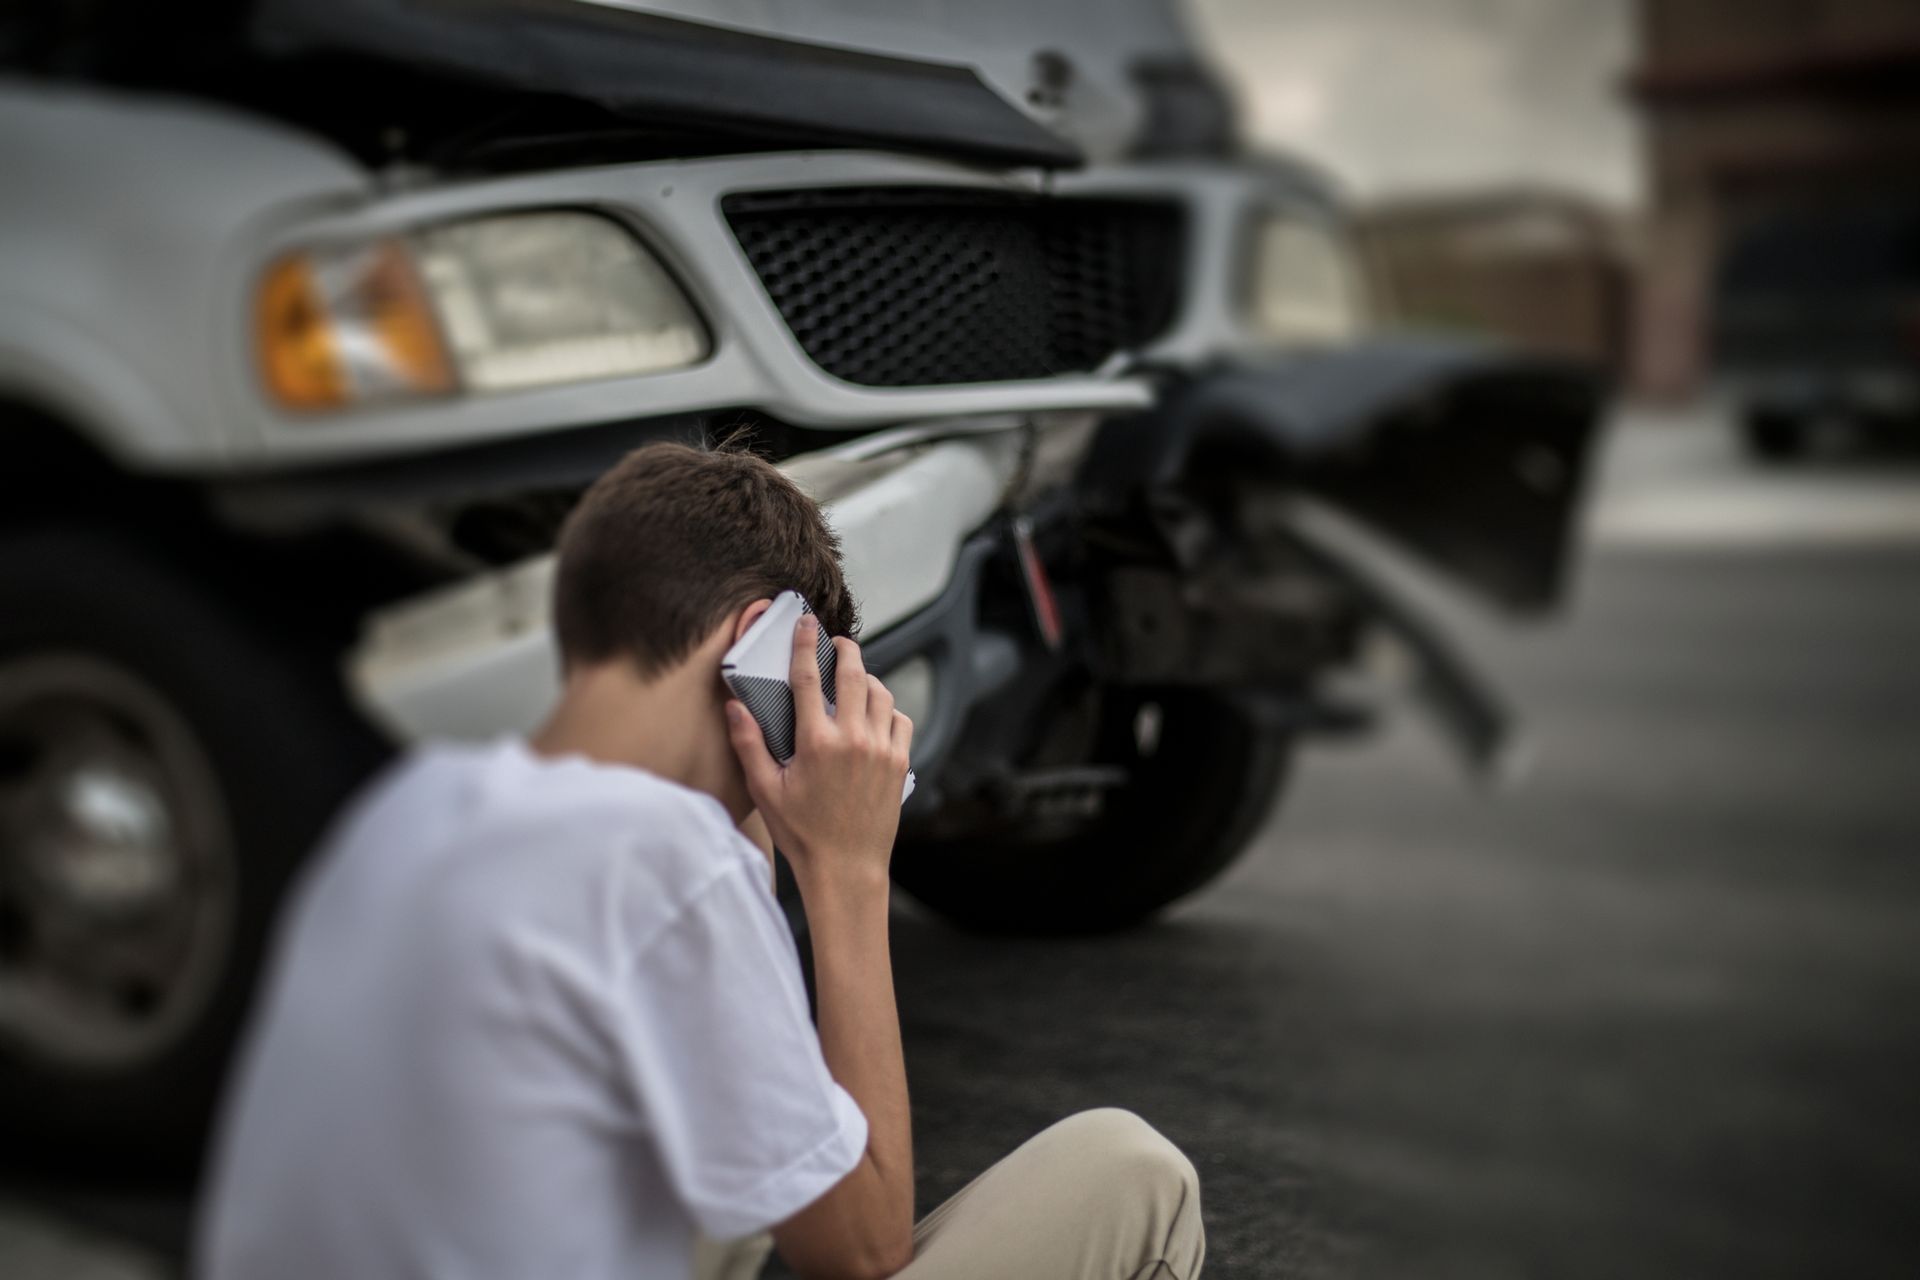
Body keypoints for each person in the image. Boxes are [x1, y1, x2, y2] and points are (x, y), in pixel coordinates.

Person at [196, 442, 1205, 1280]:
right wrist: (852, 871)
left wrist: (767, 815)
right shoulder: (657, 856)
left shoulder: (412, 809)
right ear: (759, 646)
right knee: (1134, 1171)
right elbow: (860, 1246)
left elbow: (727, 1030)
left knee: (732, 1152)